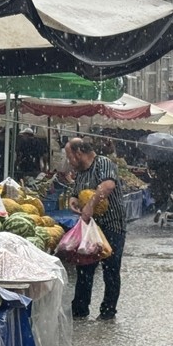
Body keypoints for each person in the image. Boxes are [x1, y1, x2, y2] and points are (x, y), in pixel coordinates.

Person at [65, 137, 127, 320]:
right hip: (91, 228)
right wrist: (73, 201)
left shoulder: (103, 163)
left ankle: (108, 312)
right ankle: (80, 309)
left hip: (112, 225)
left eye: (69, 156)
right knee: (84, 267)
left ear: (79, 153)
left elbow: (108, 185)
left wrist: (90, 206)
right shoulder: (81, 172)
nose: (69, 161)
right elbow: (75, 193)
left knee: (111, 269)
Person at [147, 155, 173, 222]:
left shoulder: (159, 163)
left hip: (160, 184)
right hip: (170, 185)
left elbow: (153, 167)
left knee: (160, 200)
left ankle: (159, 211)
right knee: (168, 200)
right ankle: (170, 213)